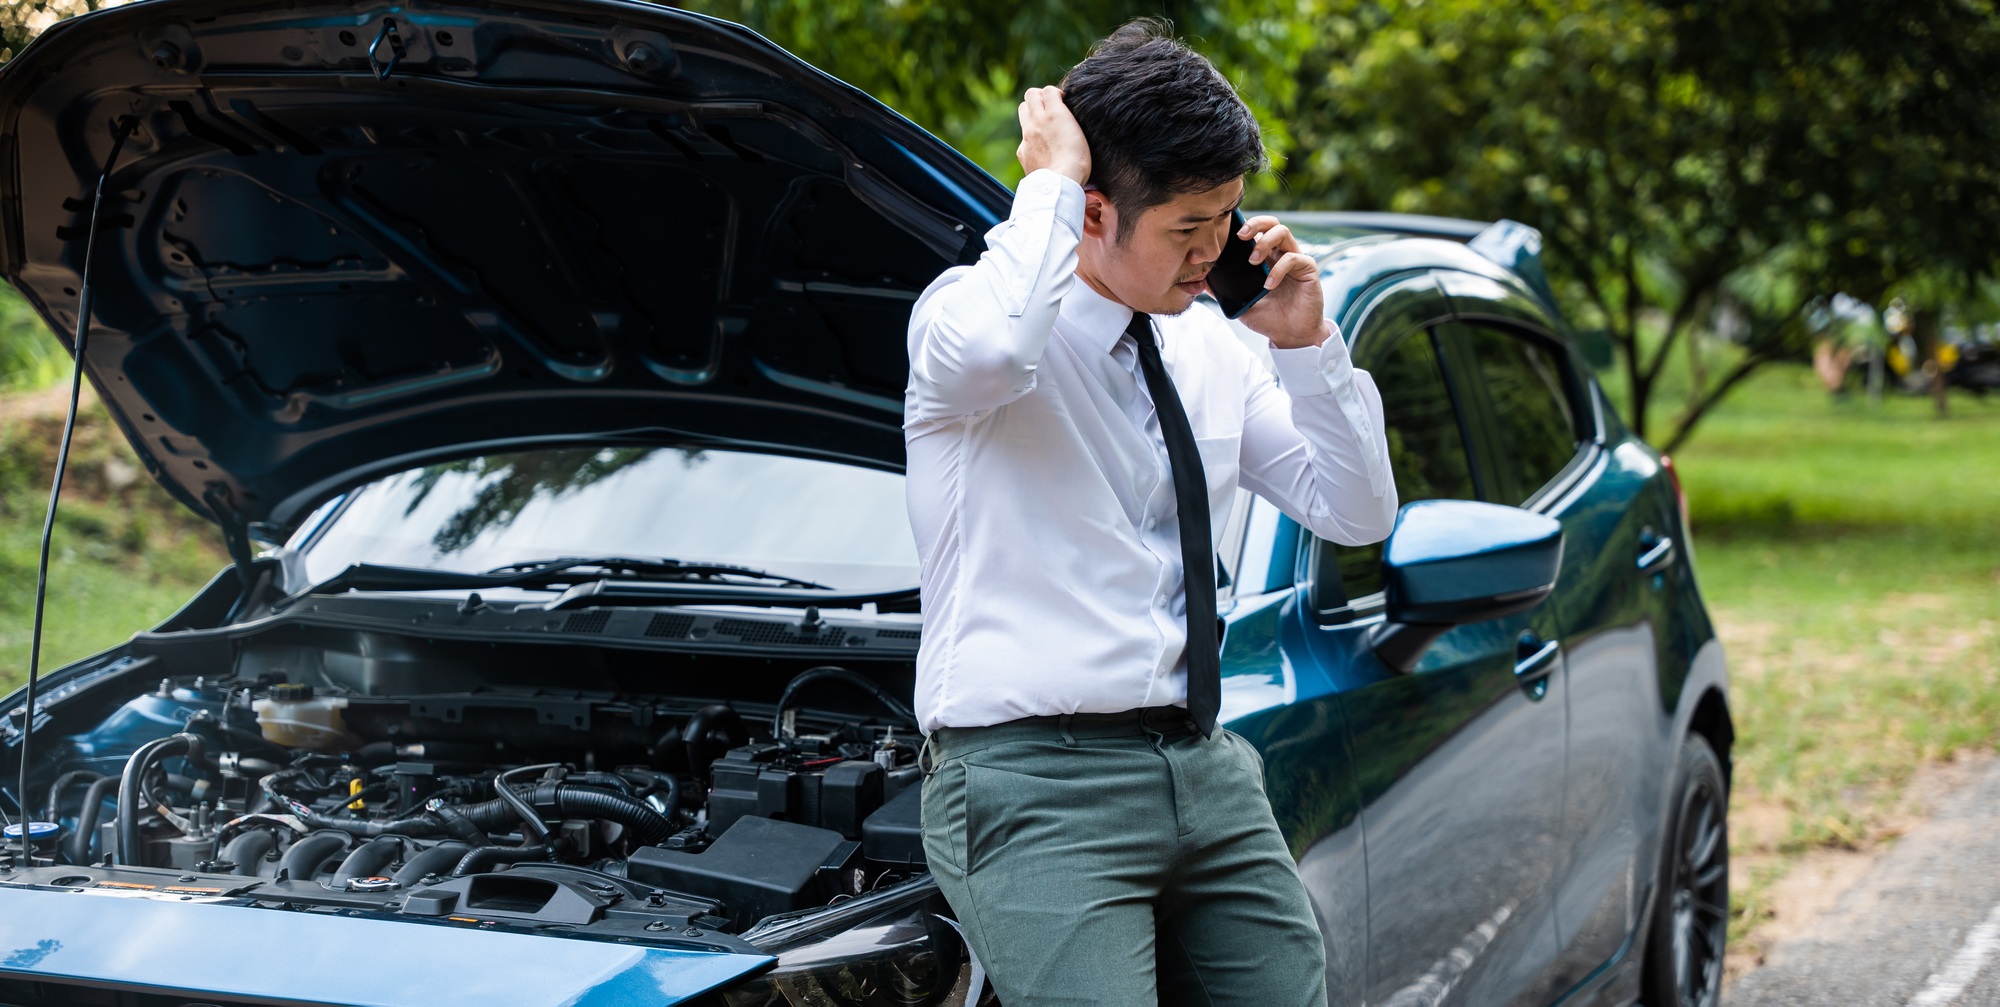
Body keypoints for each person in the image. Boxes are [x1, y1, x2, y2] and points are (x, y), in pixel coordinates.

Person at [902, 19, 1398, 1005]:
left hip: (1201, 758)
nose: (1214, 249)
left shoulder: (1214, 347)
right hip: (1032, 777)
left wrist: (1307, 349)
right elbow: (1002, 349)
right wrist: (1045, 179)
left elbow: (1355, 509)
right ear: (1092, 214)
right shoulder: (965, 322)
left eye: (1227, 217)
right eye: (1186, 226)